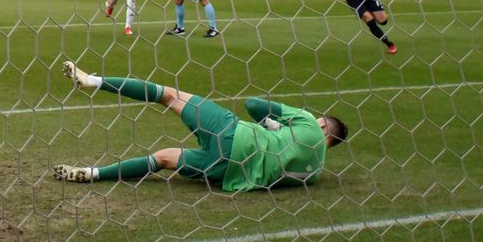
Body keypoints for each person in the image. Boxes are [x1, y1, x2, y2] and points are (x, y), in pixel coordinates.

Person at [52, 61, 348, 192]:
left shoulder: (309, 122)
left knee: (169, 96)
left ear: (323, 126)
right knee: (163, 158)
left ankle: (93, 81)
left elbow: (254, 104)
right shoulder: (314, 173)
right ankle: (92, 174)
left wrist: (274, 125)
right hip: (230, 174)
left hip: (234, 134)